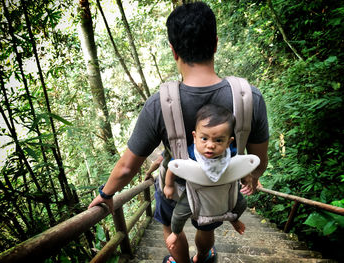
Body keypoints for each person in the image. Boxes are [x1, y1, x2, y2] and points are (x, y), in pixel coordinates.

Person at [88, 2, 269, 263]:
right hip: (218, 189)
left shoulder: (159, 104)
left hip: (174, 189)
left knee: (170, 226)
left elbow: (127, 168)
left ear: (173, 50)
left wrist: (105, 195)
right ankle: (204, 257)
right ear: (215, 43)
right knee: (206, 226)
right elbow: (258, 161)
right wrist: (252, 177)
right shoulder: (248, 97)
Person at [164, 104, 247, 252]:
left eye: (219, 141)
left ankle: (234, 219)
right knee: (178, 213)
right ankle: (176, 233)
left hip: (227, 189)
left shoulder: (231, 152)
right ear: (195, 137)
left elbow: (241, 165)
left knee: (242, 204)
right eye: (204, 138)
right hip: (195, 193)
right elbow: (173, 167)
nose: (210, 145)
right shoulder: (190, 153)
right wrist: (169, 185)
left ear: (229, 142)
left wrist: (249, 178)